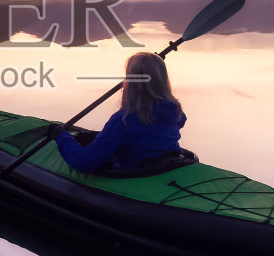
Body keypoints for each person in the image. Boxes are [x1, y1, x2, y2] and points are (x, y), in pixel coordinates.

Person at [55, 52, 186, 174]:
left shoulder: (123, 121)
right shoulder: (175, 112)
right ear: (162, 80)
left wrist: (61, 137)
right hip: (164, 168)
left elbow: (85, 163)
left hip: (135, 176)